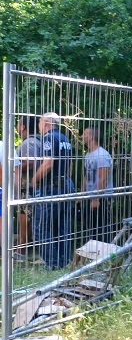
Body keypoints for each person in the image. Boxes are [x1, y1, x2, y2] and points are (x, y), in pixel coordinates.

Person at [31, 112, 75, 269]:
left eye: (40, 121)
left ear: (47, 123)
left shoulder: (48, 138)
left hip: (52, 187)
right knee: (62, 226)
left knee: (42, 227)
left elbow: (48, 163)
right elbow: (69, 165)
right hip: (67, 185)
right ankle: (64, 261)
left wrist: (35, 179)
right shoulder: (65, 138)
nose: (39, 125)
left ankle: (52, 264)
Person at [82, 126, 114, 243]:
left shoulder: (102, 155)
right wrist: (82, 194)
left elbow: (103, 178)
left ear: (91, 137)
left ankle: (104, 256)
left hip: (101, 198)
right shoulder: (88, 155)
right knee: (90, 229)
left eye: (84, 134)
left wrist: (97, 199)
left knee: (101, 229)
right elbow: (86, 176)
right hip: (90, 197)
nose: (82, 136)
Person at [16, 115, 42, 257]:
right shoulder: (39, 141)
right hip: (34, 186)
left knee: (24, 218)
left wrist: (15, 167)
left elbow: (30, 162)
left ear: (23, 127)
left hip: (27, 187)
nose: (17, 127)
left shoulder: (29, 142)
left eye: (18, 124)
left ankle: (22, 250)